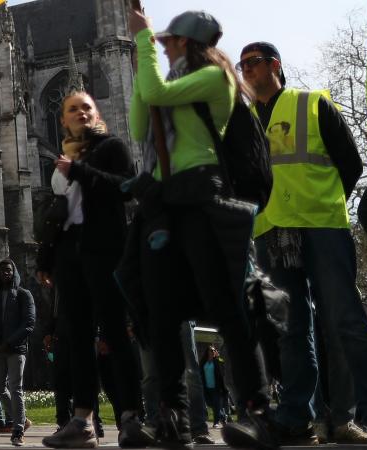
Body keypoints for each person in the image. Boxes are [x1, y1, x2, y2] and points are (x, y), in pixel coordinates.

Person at [123, 8, 276, 448]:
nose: (163, 47)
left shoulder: (216, 79)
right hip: (164, 202)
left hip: (201, 192)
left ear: (188, 43)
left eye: (169, 42)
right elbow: (138, 124)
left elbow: (153, 91)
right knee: (160, 310)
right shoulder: (168, 83)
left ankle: (256, 410)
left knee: (225, 305)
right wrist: (141, 66)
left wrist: (141, 47)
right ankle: (171, 417)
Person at [237, 39, 367, 447]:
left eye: (253, 63)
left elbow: (350, 162)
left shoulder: (313, 103)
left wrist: (326, 206)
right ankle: (298, 420)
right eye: (241, 66)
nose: (246, 71)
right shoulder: (243, 121)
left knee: (344, 323)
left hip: (321, 228)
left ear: (275, 64)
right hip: (273, 234)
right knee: (292, 330)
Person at [34, 90, 149, 448]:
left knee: (114, 333)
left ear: (96, 115)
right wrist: (45, 259)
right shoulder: (64, 157)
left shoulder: (113, 147)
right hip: (71, 254)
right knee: (77, 340)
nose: (80, 113)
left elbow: (126, 189)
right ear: (63, 119)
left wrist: (79, 171)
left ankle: (131, 416)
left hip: (104, 250)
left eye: (86, 107)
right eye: (72, 109)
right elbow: (61, 213)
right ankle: (82, 420)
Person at [0, 260, 34, 446]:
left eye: (9, 269)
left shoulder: (23, 295)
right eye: (2, 270)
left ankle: (18, 430)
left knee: (15, 388)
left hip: (16, 349)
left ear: (14, 272)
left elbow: (28, 324)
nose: (5, 272)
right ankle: (22, 419)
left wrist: (9, 342)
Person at [198, 346, 228, 428]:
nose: (213, 351)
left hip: (216, 387)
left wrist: (218, 357)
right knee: (210, 403)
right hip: (206, 387)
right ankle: (223, 417)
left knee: (216, 404)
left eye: (214, 350)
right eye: (211, 350)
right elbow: (200, 372)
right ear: (207, 352)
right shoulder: (204, 362)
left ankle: (216, 422)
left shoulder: (217, 361)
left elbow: (223, 367)